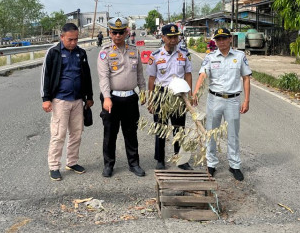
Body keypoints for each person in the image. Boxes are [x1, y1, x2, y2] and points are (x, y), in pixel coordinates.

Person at [192, 27, 251, 181]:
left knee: (233, 134)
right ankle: (211, 164)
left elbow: (246, 77)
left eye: (224, 38)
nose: (222, 42)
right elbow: (203, 74)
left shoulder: (239, 56)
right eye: (218, 39)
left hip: (233, 100)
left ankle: (235, 165)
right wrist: (196, 92)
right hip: (215, 100)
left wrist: (246, 100)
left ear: (230, 39)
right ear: (215, 41)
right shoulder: (210, 57)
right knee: (211, 132)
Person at [41, 23, 94, 181]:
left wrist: (89, 97)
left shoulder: (81, 53)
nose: (73, 42)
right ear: (62, 37)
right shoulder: (53, 53)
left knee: (77, 133)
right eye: (70, 39)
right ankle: (54, 166)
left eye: (76, 39)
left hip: (77, 100)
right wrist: (46, 99)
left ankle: (72, 162)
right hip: (60, 100)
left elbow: (87, 76)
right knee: (58, 135)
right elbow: (46, 76)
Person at [97, 17, 146, 177]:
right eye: (114, 32)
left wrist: (144, 92)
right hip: (112, 99)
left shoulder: (134, 51)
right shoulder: (105, 52)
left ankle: (134, 164)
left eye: (120, 32)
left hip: (131, 98)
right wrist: (106, 97)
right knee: (110, 133)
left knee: (131, 133)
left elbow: (140, 75)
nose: (117, 35)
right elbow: (103, 77)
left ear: (126, 32)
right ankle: (109, 165)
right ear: (109, 33)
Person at [147, 23, 193, 171]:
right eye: (170, 37)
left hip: (179, 95)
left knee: (179, 128)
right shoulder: (155, 56)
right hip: (161, 95)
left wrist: (190, 95)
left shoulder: (184, 54)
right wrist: (151, 99)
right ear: (163, 37)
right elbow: (152, 79)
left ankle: (180, 159)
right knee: (161, 127)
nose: (173, 40)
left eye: (176, 37)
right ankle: (160, 159)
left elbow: (188, 74)